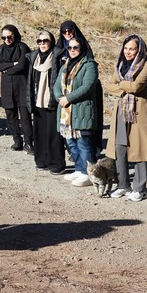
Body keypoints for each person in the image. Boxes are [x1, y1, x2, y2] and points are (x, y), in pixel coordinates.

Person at [104, 35, 147, 202]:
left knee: (140, 149)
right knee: (120, 147)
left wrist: (120, 85)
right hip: (122, 110)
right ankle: (123, 185)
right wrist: (124, 87)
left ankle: (140, 189)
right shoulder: (120, 64)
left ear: (139, 50)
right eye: (126, 48)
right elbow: (108, 86)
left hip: (140, 112)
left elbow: (137, 86)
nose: (128, 52)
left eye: (132, 49)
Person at [54, 33, 100, 187]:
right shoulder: (65, 65)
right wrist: (59, 97)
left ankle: (89, 174)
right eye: (70, 48)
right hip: (66, 112)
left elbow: (87, 87)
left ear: (82, 48)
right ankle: (79, 169)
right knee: (71, 142)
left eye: (76, 47)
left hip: (81, 110)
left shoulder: (89, 65)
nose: (72, 50)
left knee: (83, 143)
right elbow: (57, 85)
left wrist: (68, 98)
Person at [26, 29, 66, 174]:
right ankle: (41, 160)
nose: (42, 44)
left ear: (51, 42)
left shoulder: (58, 56)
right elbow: (30, 80)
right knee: (39, 132)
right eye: (39, 41)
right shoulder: (34, 57)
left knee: (54, 134)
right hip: (37, 99)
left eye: (45, 41)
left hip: (52, 99)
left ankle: (56, 163)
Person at [0, 25, 32, 152]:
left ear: (15, 35)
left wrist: (7, 70)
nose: (7, 40)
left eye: (9, 37)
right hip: (7, 88)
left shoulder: (22, 47)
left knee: (25, 117)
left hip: (21, 87)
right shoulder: (1, 49)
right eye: (4, 38)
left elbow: (22, 65)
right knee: (11, 116)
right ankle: (17, 140)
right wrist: (12, 64)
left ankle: (29, 142)